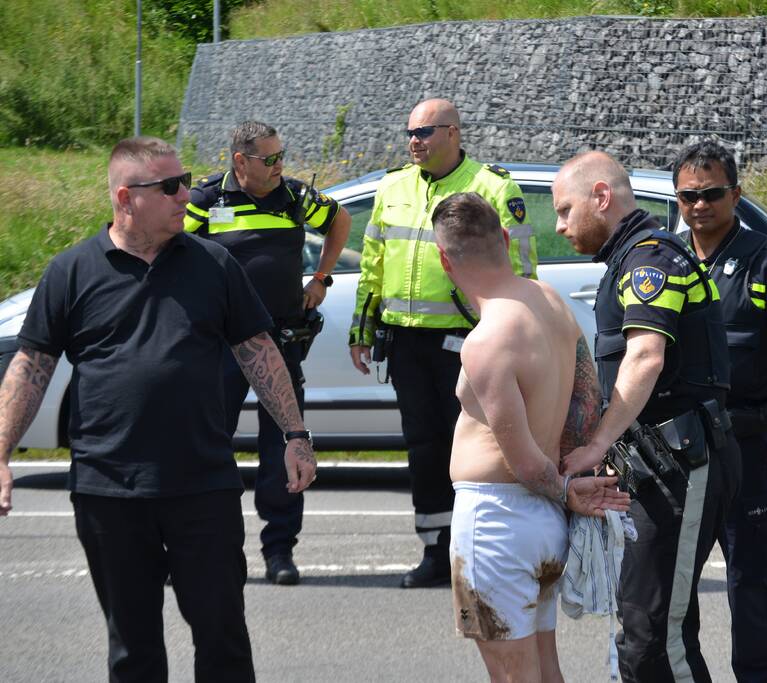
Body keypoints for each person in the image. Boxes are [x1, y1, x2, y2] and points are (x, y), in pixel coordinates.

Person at [0, 136, 316, 682]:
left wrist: (294, 433)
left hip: (203, 484)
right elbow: (32, 366)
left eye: (186, 180)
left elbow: (259, 351)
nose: (185, 195)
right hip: (108, 490)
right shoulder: (72, 271)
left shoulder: (212, 263)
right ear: (126, 198)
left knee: (223, 639)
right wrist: (1, 452)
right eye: (169, 186)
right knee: (134, 649)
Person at [554, 151, 741, 682]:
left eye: (567, 210)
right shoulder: (630, 258)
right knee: (648, 628)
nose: (562, 225)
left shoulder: (649, 260)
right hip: (658, 466)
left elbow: (646, 357)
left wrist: (595, 443)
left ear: (602, 197)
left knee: (655, 642)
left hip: (681, 465)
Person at [431, 192, 630, 683]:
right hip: (543, 522)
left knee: (513, 677)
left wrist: (567, 492)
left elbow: (520, 459)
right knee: (545, 672)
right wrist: (574, 480)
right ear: (503, 238)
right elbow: (585, 401)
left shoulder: (487, 341)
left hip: (496, 520)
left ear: (443, 259)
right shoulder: (551, 301)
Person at [348, 98, 538, 589]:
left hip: (468, 341)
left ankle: (477, 551)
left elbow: (523, 269)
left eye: (426, 131)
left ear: (453, 133)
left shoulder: (492, 187)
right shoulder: (391, 187)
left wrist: (515, 334)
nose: (414, 140)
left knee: (477, 447)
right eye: (410, 131)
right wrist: (362, 330)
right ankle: (436, 550)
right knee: (423, 448)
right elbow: (373, 263)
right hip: (408, 343)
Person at [674, 140, 767, 682]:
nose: (700, 205)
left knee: (751, 584)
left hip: (748, 445)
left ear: (735, 194)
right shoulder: (668, 259)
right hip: (682, 451)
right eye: (689, 195)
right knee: (674, 585)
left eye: (712, 193)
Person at [184, 120, 351, 585]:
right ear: (240, 161)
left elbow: (339, 219)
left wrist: (320, 279)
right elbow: (169, 248)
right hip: (221, 345)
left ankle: (280, 551)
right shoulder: (205, 202)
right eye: (270, 159)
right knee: (207, 443)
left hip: (281, 340)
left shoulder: (294, 198)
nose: (281, 165)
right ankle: (205, 546)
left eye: (282, 156)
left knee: (284, 443)